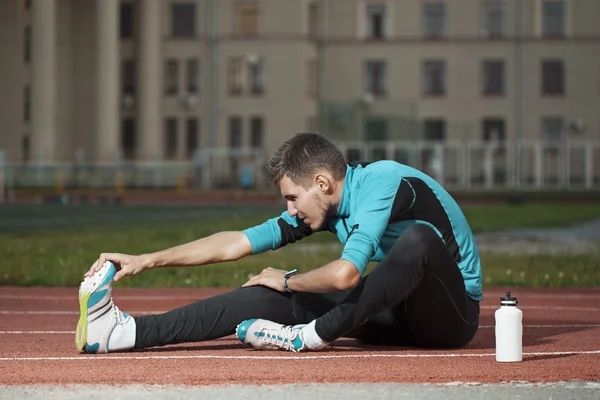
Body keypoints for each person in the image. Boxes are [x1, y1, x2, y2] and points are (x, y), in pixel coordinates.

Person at [76, 132, 482, 354]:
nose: (289, 208)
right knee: (263, 291)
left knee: (419, 239)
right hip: (392, 315)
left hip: (450, 316)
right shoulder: (324, 206)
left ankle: (307, 337)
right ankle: (123, 333)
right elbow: (234, 243)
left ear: (321, 183)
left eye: (292, 197)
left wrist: (291, 280)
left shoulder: (383, 181)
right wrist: (147, 259)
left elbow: (345, 275)